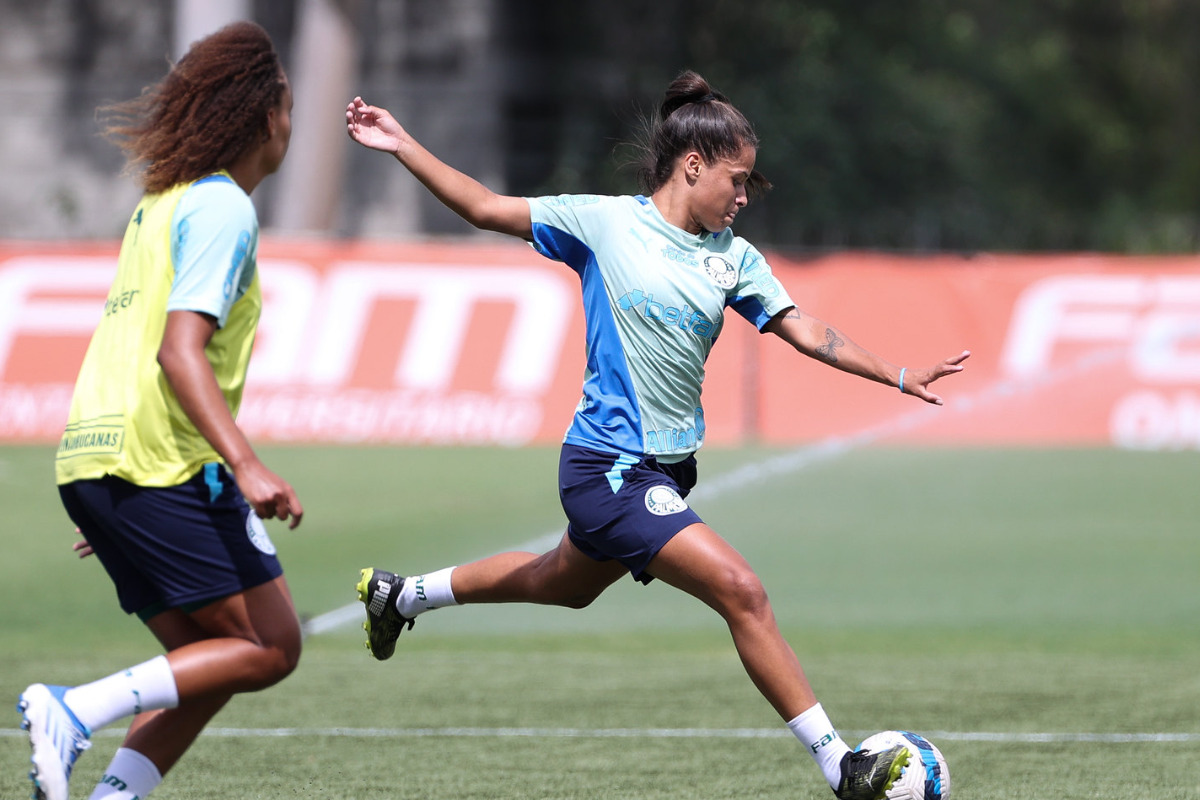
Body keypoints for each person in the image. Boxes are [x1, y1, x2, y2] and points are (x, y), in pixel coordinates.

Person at [345, 71, 969, 800]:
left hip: (667, 475)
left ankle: (402, 595)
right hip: (607, 468)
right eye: (737, 181)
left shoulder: (733, 257)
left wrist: (895, 374)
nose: (743, 198)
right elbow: (485, 207)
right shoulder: (602, 223)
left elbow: (807, 330)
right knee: (742, 590)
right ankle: (842, 766)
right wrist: (402, 146)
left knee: (562, 585)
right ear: (692, 165)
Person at [16, 21, 302, 800]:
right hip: (159, 462)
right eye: (288, 101)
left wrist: (112, 494)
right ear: (267, 113)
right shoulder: (221, 210)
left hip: (100, 460)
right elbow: (179, 352)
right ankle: (72, 712)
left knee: (205, 665)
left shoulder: (163, 203)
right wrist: (246, 464)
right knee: (273, 647)